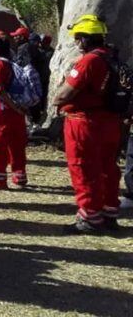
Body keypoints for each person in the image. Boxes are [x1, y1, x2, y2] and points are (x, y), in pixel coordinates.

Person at [53, 14, 123, 233]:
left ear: (83, 39)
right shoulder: (111, 57)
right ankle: (108, 213)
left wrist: (57, 94)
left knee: (83, 167)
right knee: (108, 168)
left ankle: (89, 218)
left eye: (77, 38)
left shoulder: (89, 61)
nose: (76, 43)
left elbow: (64, 95)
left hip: (85, 123)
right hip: (110, 121)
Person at [0, 36, 28, 189]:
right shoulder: (10, 62)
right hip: (15, 110)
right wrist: (18, 109)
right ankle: (19, 175)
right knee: (16, 143)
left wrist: (13, 106)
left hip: (1, 108)